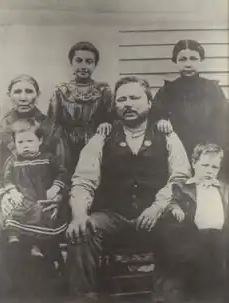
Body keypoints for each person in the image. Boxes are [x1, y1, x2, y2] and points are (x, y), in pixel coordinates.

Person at [65, 76, 191, 302]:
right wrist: (79, 214)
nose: (128, 104)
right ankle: (84, 297)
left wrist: (157, 208)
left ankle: (167, 298)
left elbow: (180, 177)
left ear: (149, 103)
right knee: (82, 230)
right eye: (122, 99)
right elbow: (84, 180)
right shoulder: (102, 137)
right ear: (115, 106)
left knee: (177, 230)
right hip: (113, 216)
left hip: (156, 216)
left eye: (135, 98)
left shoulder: (167, 135)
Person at [0, 74, 70, 302]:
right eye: (18, 91)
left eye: (29, 91)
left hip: (45, 197)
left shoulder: (53, 130)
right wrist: (2, 196)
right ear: (9, 95)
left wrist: (58, 195)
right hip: (6, 195)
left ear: (37, 95)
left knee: (48, 220)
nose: (23, 97)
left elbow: (65, 167)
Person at [159, 143, 228, 302]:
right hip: (195, 238)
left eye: (214, 167)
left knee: (219, 273)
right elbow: (173, 202)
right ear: (194, 163)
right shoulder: (183, 187)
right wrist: (175, 208)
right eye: (204, 165)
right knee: (199, 271)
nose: (209, 170)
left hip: (221, 238)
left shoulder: (224, 189)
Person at [153, 39, 229, 175]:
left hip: (210, 152)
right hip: (180, 152)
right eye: (182, 59)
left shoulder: (213, 89)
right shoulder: (167, 91)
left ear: (201, 61)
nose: (188, 64)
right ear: (175, 62)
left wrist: (214, 150)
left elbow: (224, 121)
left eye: (193, 58)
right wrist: (161, 120)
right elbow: (155, 114)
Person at [3, 119, 69, 257]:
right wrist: (12, 191)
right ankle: (13, 241)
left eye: (30, 141)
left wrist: (55, 188)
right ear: (14, 143)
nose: (25, 146)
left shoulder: (48, 159)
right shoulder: (14, 162)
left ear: (39, 140)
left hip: (41, 198)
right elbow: (7, 178)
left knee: (42, 216)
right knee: (14, 215)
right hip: (24, 198)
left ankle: (36, 247)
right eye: (20, 142)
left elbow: (62, 173)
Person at [47, 41, 113, 169]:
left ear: (95, 65)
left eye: (89, 62)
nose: (83, 66)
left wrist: (107, 123)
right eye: (79, 60)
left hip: (95, 141)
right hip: (65, 144)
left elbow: (112, 117)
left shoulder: (104, 90)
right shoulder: (61, 91)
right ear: (71, 62)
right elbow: (52, 122)